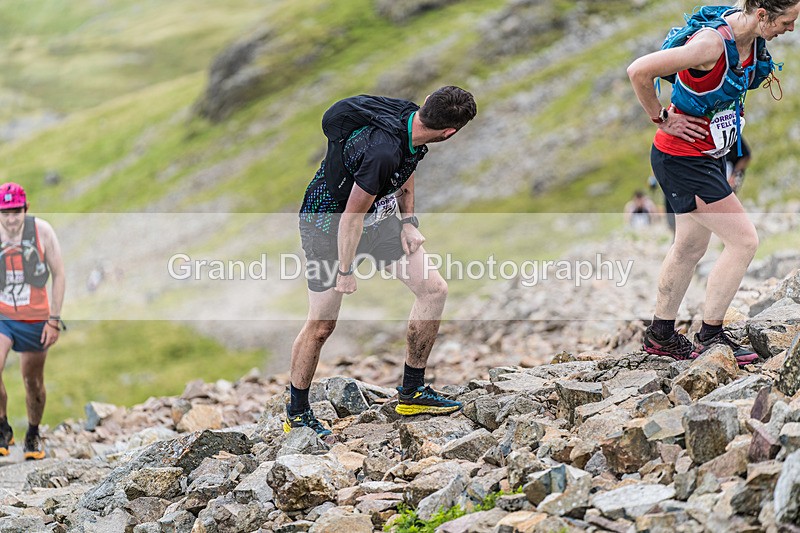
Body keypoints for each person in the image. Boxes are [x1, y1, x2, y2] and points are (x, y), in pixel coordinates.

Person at [284, 86, 477, 436]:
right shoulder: (382, 153)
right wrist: (344, 271)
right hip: (328, 226)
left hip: (378, 220)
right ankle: (296, 413)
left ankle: (412, 391)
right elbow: (350, 219)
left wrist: (407, 223)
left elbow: (409, 164)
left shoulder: (410, 123)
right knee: (322, 325)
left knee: (433, 290)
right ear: (449, 132)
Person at [627, 0, 798, 364]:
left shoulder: (751, 40)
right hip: (681, 159)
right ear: (762, 14)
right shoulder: (709, 45)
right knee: (744, 240)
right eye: (787, 21)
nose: (792, 29)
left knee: (688, 247)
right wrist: (661, 117)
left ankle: (661, 336)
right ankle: (711, 336)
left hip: (704, 158)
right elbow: (638, 70)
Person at [0, 183, 65, 459]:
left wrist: (54, 320)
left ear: (25, 210)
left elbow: (59, 274)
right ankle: (3, 427)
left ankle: (33, 433)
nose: (11, 218)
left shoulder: (43, 231)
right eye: (5, 212)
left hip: (35, 317)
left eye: (16, 212)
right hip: (3, 314)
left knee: (33, 382)